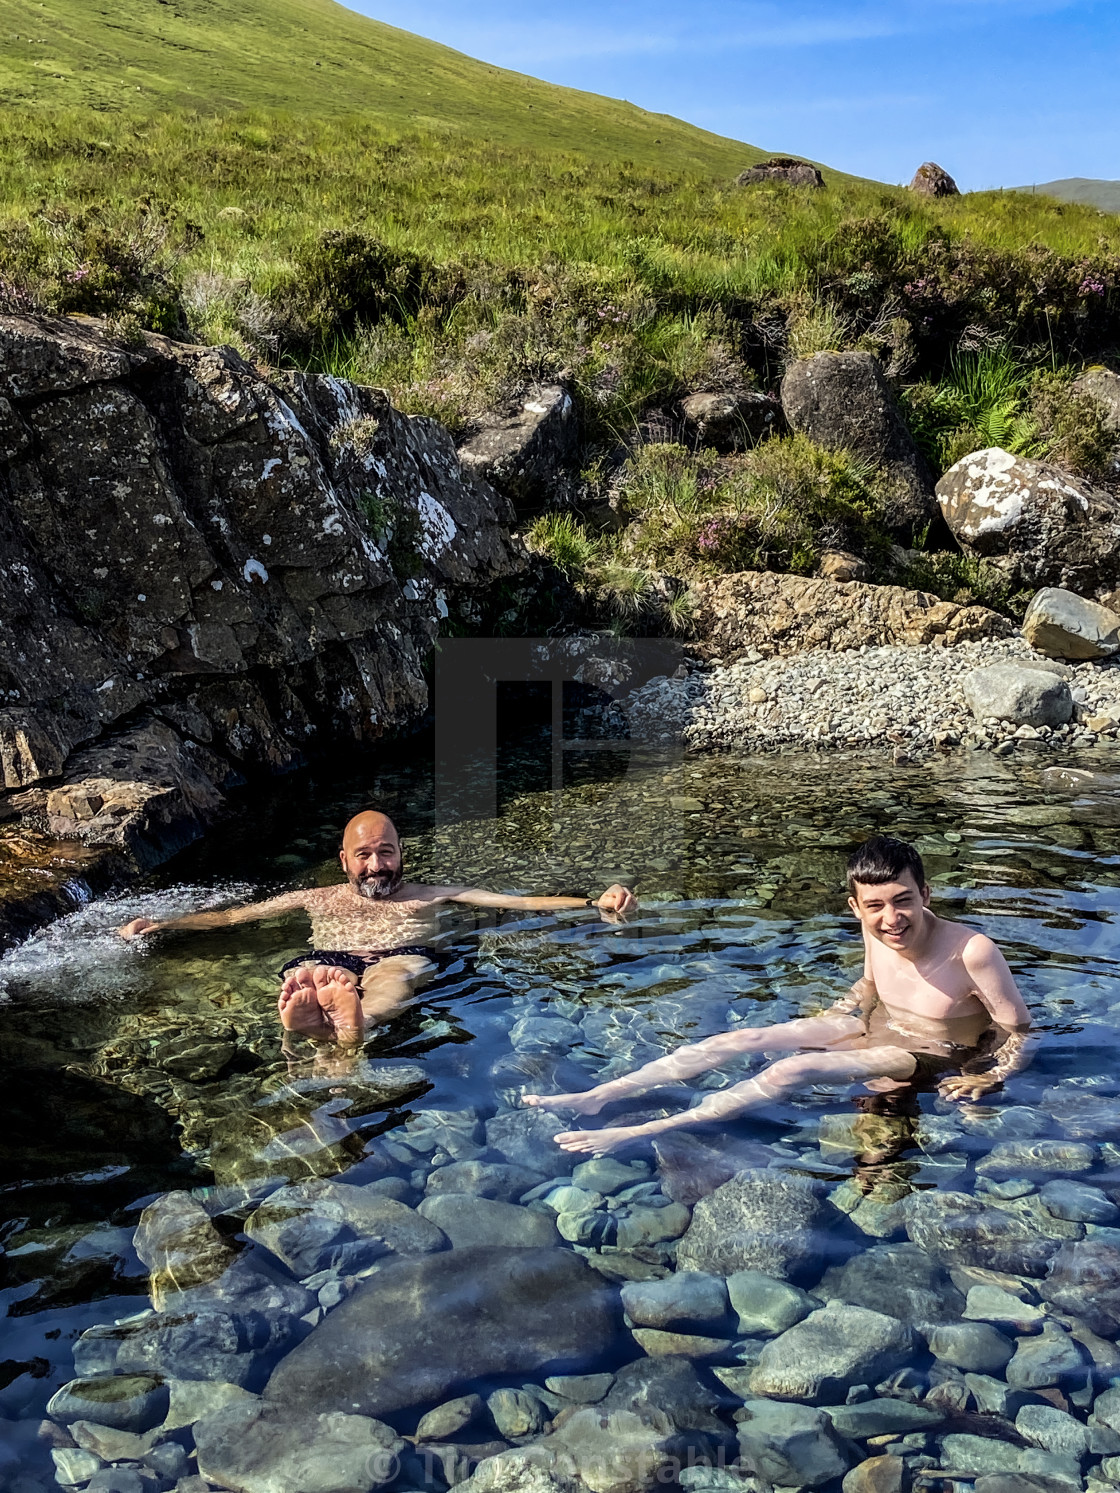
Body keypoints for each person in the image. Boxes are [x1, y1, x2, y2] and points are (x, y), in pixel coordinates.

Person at [523, 834, 1033, 1156]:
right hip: (876, 1023)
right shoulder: (875, 929)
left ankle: (640, 1132)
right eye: (875, 906)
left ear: (925, 895)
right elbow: (873, 983)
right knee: (743, 1037)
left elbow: (1020, 1030)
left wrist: (992, 1074)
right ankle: (600, 1096)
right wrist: (845, 1006)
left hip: (932, 1052)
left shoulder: (973, 951)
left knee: (791, 1068)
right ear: (855, 907)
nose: (892, 919)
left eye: (904, 901)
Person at [119, 810, 636, 1042]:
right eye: (363, 855)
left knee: (395, 975)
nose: (375, 866)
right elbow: (233, 916)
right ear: (343, 859)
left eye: (385, 853)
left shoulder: (433, 894)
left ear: (401, 854)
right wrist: (164, 924)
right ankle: (328, 1012)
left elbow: (518, 902)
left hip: (403, 951)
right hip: (332, 957)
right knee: (315, 970)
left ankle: (351, 1022)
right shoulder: (313, 896)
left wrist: (594, 900)